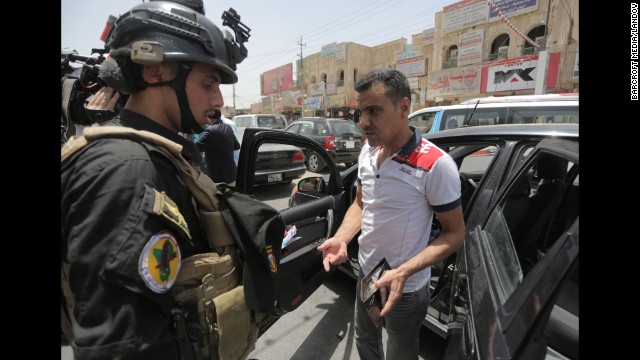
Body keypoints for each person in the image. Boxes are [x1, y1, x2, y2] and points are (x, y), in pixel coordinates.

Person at [61, 1, 250, 358]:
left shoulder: (158, 153)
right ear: (155, 73)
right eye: (208, 82)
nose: (219, 98)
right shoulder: (127, 171)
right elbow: (121, 347)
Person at [316, 68, 466, 359]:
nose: (363, 122)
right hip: (367, 276)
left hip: (405, 289)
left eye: (374, 110)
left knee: (400, 352)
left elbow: (455, 233)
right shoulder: (368, 154)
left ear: (404, 107)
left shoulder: (436, 164)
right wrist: (342, 238)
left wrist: (404, 272)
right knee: (365, 341)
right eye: (360, 112)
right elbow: (361, 204)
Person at [196, 108, 240, 182]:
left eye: (207, 116)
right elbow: (237, 146)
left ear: (210, 117)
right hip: (230, 170)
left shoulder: (211, 131)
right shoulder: (228, 127)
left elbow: (198, 147)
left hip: (217, 173)